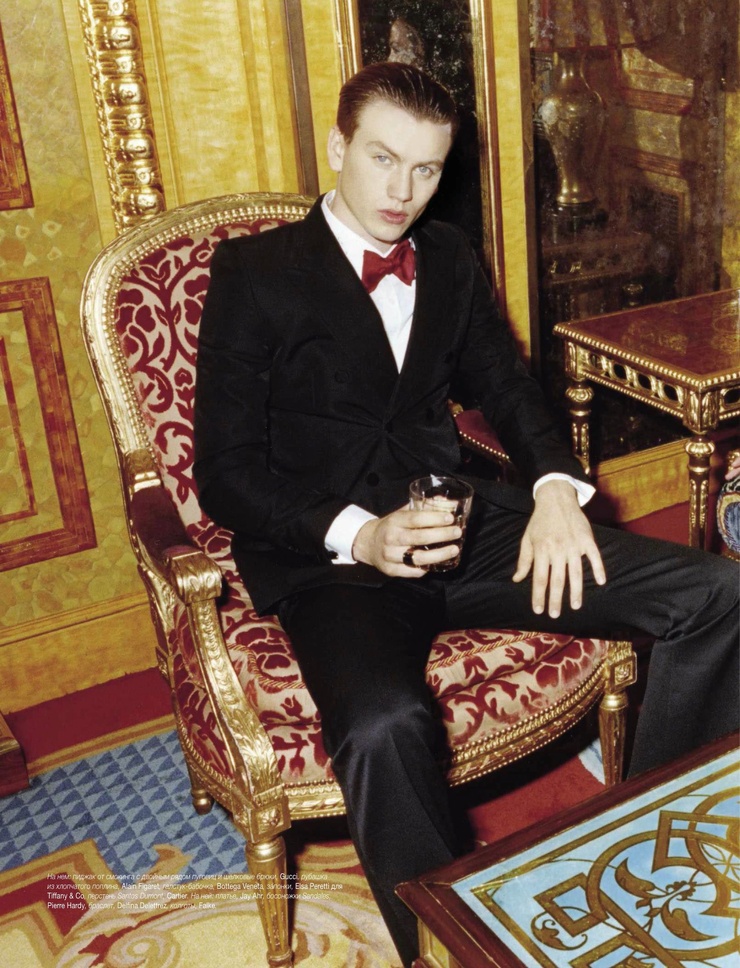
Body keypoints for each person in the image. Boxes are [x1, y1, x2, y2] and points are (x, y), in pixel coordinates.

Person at [193, 62, 739, 967]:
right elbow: (225, 474)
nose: (402, 192)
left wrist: (556, 490)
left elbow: (506, 388)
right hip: (337, 564)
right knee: (382, 727)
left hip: (467, 527)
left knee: (715, 593)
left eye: (426, 169)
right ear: (337, 147)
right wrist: (361, 534)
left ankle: (648, 833)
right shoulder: (256, 274)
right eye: (382, 159)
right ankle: (445, 952)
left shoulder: (446, 255)